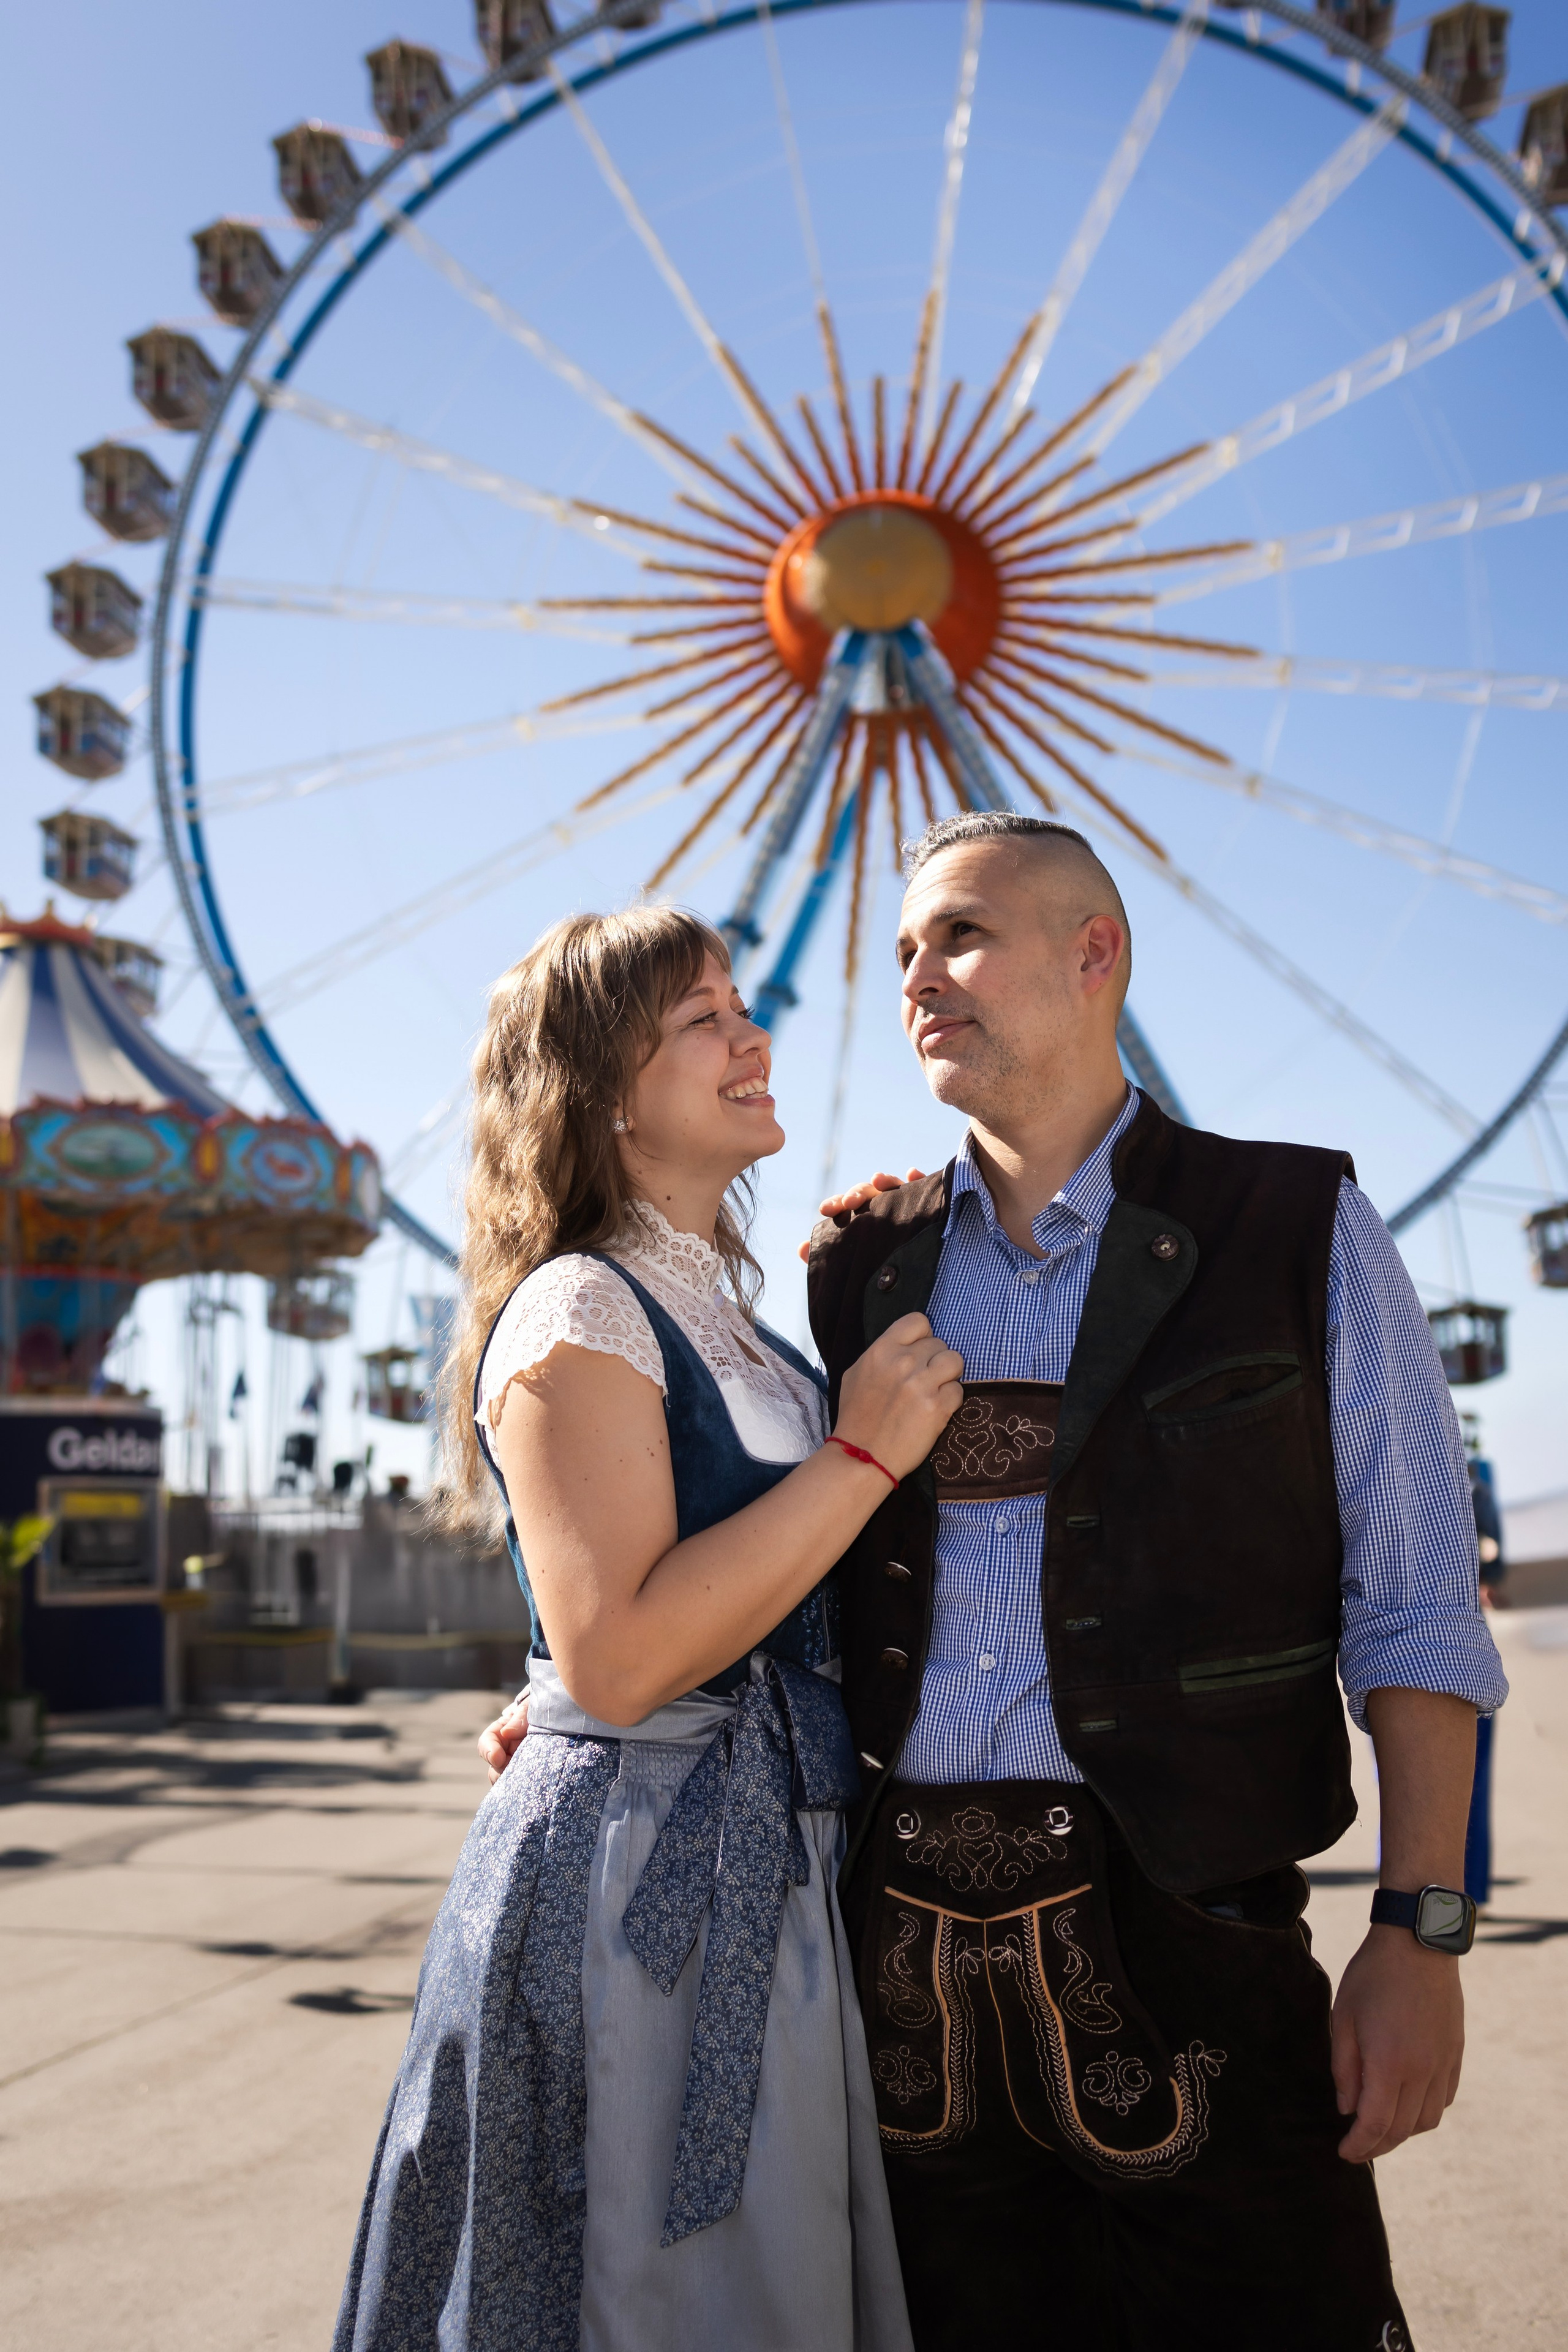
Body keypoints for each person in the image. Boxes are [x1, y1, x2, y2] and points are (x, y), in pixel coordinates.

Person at [801, 811, 1507, 2352]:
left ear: (1093, 954)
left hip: (1196, 1936)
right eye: (906, 948)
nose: (919, 971)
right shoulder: (857, 1269)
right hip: (902, 1976)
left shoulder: (1295, 1225)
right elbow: (787, 1577)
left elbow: (1413, 1610)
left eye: (961, 935)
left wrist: (1421, 1929)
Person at [334, 907, 961, 2352]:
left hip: (769, 1840)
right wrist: (859, 1457)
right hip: (635, 1876)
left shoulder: (751, 1327)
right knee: (638, 2285)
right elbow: (616, 1658)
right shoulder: (576, 1308)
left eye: (743, 1003)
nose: (752, 1035)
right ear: (605, 1094)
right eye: (702, 1019)